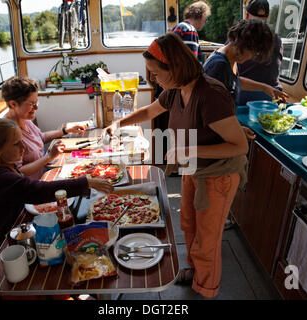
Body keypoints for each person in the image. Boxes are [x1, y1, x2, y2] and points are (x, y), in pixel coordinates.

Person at [105, 33, 249, 298]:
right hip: (194, 168)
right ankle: (195, 271)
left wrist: (189, 149)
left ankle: (206, 289)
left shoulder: (211, 94)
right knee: (189, 225)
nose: (153, 80)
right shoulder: (175, 91)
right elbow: (149, 112)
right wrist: (118, 123)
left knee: (207, 239)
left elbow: (240, 146)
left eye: (155, 74)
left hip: (218, 174)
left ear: (174, 67)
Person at [0, 118, 113, 250]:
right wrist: (86, 182)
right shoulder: (0, 179)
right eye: (16, 144)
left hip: (20, 226)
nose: (23, 147)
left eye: (22, 141)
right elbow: (39, 190)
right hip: (9, 242)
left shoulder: (1, 168)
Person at [204, 19, 287, 142]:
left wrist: (264, 87)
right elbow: (209, 114)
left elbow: (234, 81)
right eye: (255, 52)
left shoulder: (229, 59)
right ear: (244, 46)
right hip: (210, 139)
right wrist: (237, 130)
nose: (253, 57)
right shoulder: (218, 67)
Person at [2, 76, 86, 179]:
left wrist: (66, 131)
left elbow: (41, 137)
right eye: (31, 104)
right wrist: (48, 157)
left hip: (44, 175)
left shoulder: (25, 120)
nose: (36, 108)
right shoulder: (7, 133)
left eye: (36, 102)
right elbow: (19, 172)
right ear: (13, 104)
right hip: (32, 187)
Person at [237, 0, 285, 105]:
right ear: (267, 17)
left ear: (247, 15)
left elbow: (233, 77)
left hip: (244, 96)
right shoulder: (276, 39)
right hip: (272, 96)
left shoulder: (239, 37)